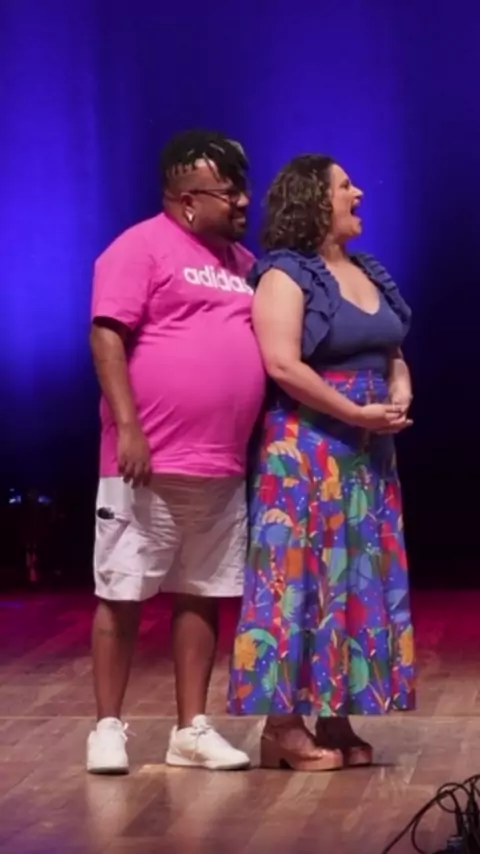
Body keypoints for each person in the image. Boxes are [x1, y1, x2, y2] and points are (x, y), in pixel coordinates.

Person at [228, 154, 416, 771]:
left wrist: (399, 385)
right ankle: (281, 727)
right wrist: (354, 412)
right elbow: (283, 364)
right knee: (298, 578)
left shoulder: (366, 270)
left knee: (353, 576)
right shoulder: (285, 274)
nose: (358, 193)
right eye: (344, 186)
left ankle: (337, 713)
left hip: (367, 451)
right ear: (313, 199)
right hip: (307, 447)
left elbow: (391, 347)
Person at [87, 130, 265, 774]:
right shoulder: (138, 247)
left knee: (202, 591)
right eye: (228, 191)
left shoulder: (244, 264)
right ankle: (107, 727)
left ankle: (191, 729)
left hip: (221, 462)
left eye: (243, 189)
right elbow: (107, 336)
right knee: (123, 590)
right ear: (187, 200)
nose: (243, 201)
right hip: (146, 460)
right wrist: (129, 427)